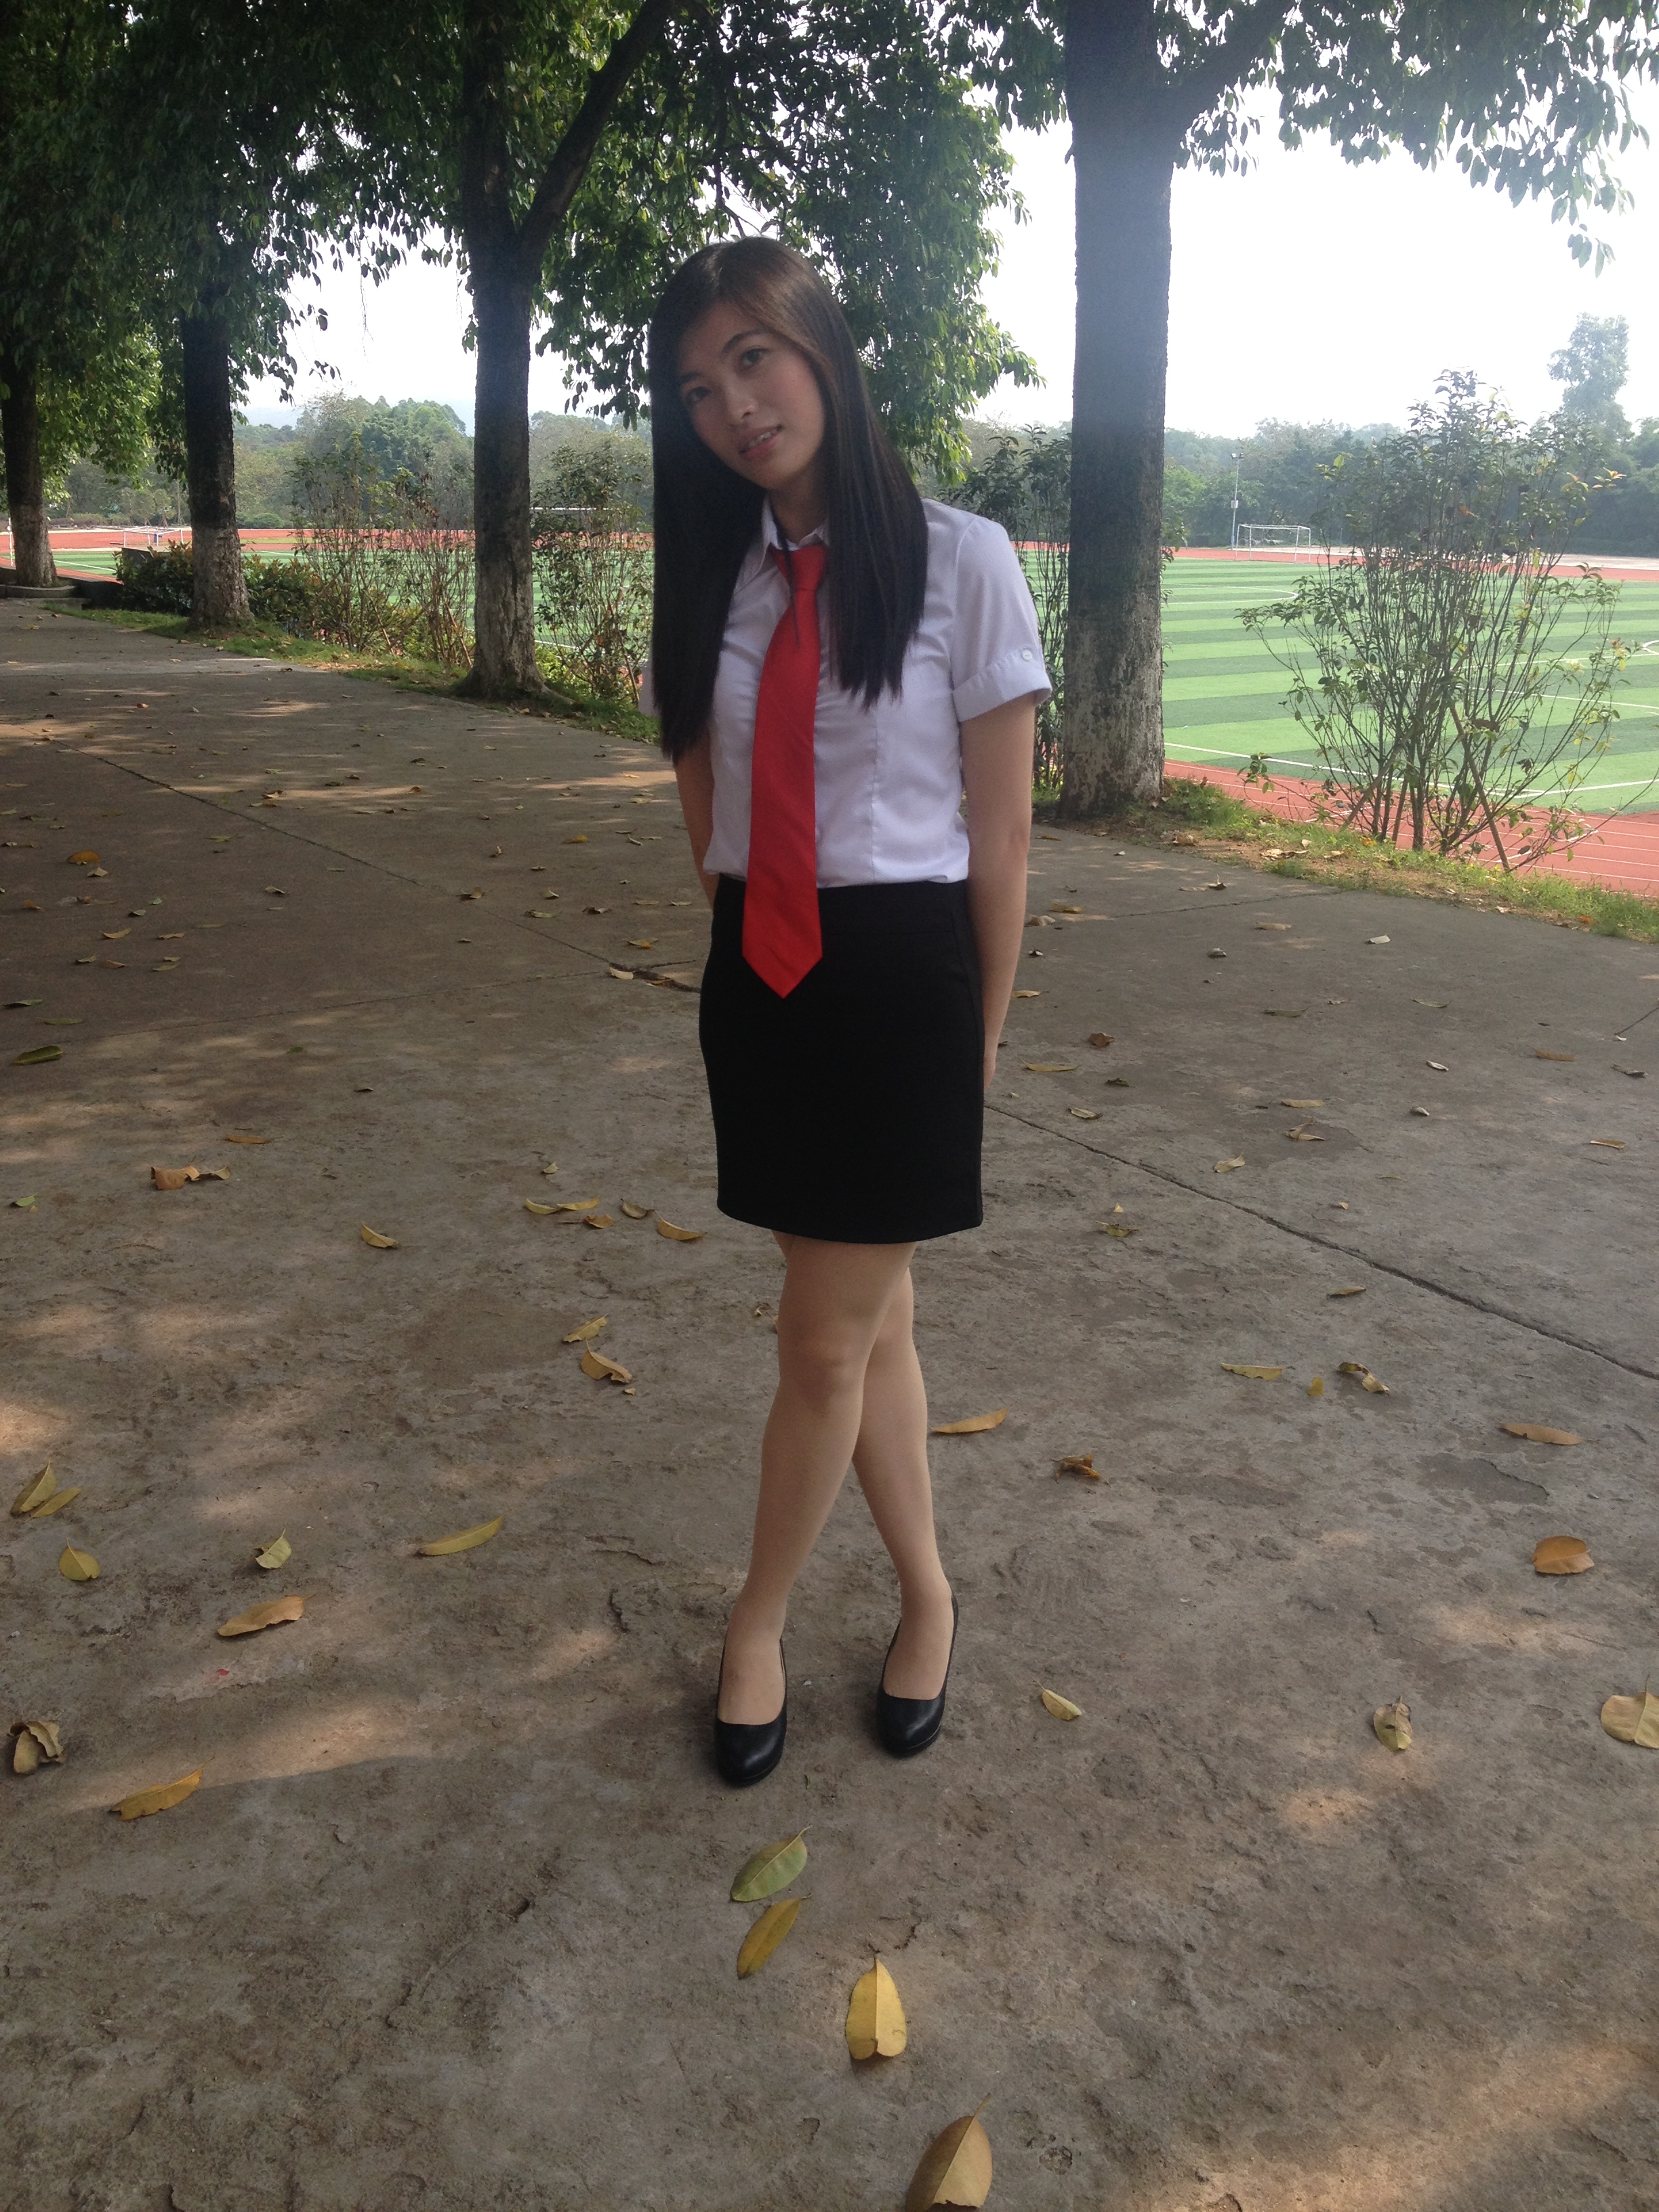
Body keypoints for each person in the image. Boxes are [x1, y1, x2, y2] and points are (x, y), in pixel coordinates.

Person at [642, 237, 1048, 1786]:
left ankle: (755, 1623)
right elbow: (707, 793)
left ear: (820, 348)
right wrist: (745, 935)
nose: (734, 406)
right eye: (698, 387)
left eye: (753, 358)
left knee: (819, 1344)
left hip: (900, 986)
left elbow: (1001, 842)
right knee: (874, 1327)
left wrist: (977, 1041)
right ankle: (930, 1597)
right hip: (763, 976)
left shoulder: (964, 561)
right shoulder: (718, 573)